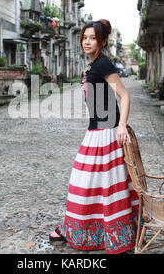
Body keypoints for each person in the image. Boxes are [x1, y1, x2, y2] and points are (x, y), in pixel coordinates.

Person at [49, 19, 140, 254]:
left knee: (95, 184)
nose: (87, 42)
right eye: (85, 37)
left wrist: (121, 126)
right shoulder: (93, 65)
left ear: (102, 41)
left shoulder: (102, 64)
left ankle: (98, 231)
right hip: (97, 130)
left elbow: (125, 95)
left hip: (107, 132)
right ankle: (84, 229)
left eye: (92, 38)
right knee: (95, 185)